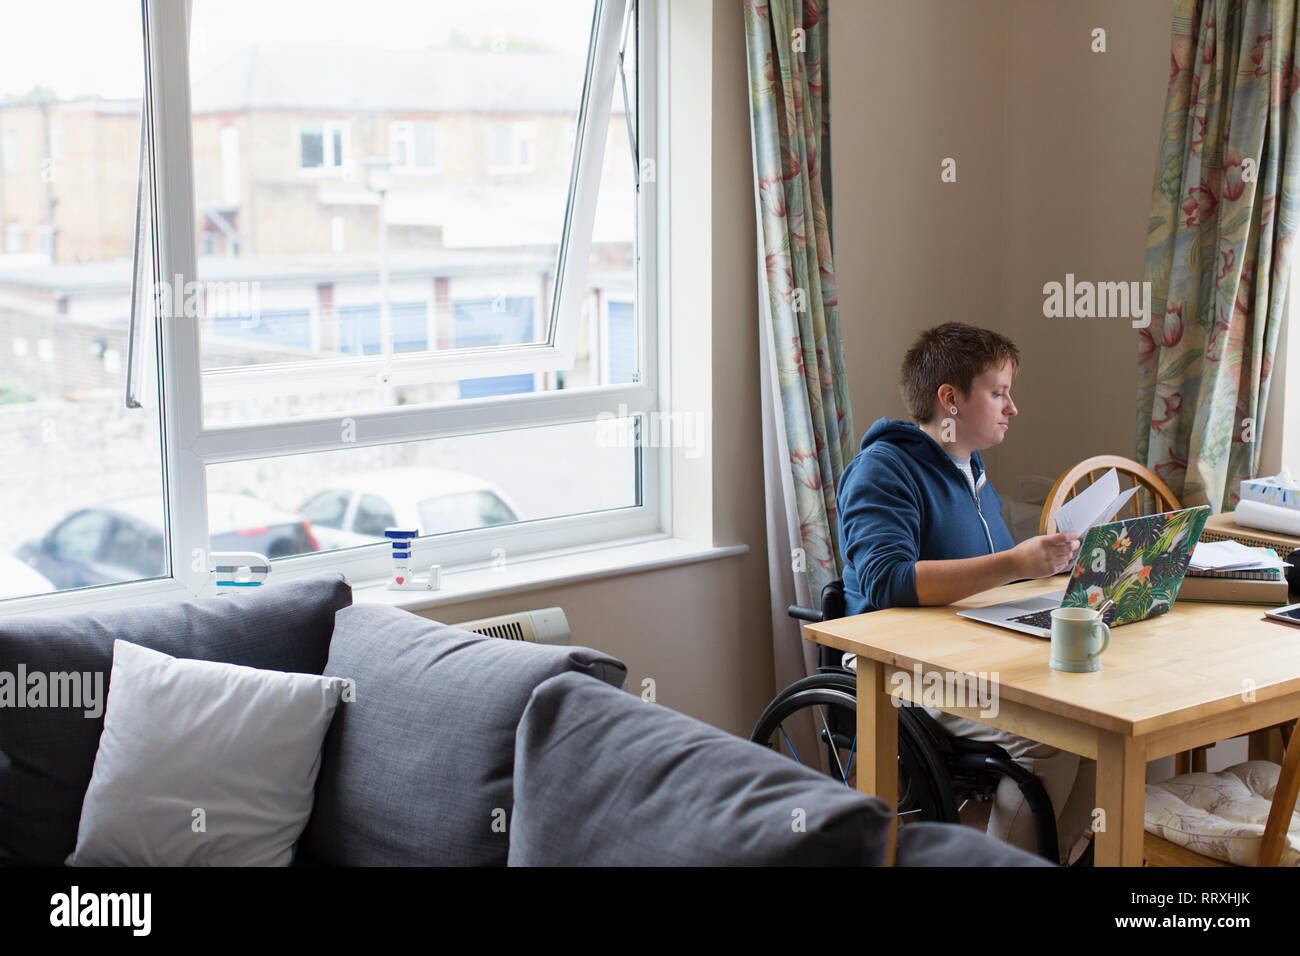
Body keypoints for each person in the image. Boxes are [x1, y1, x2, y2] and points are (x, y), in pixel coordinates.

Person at [836, 322, 1094, 863]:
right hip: (901, 670)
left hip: (970, 656)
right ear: (950, 400)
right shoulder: (883, 470)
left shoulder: (972, 471)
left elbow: (988, 580)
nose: (1012, 407)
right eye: (999, 393)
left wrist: (1051, 568)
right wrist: (1015, 562)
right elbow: (888, 580)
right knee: (1045, 738)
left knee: (1097, 732)